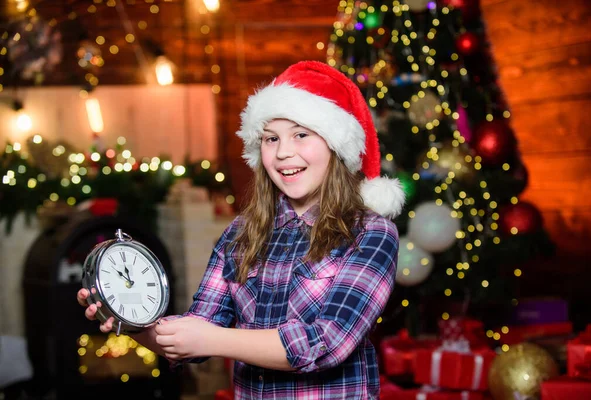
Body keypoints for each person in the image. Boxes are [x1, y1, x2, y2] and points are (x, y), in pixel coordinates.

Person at [77, 60, 405, 399]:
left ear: (336, 146)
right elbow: (198, 330)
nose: (283, 153)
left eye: (301, 135)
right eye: (271, 138)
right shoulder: (241, 232)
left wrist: (212, 338)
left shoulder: (370, 233)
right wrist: (128, 318)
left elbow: (326, 343)